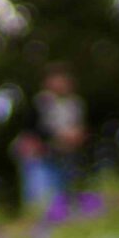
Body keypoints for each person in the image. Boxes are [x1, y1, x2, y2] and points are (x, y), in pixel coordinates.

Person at [32, 66, 88, 207]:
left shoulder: (75, 103)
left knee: (70, 184)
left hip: (67, 152)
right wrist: (60, 135)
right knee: (43, 194)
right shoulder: (41, 102)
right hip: (42, 155)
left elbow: (79, 127)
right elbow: (37, 129)